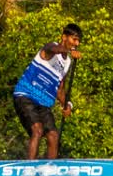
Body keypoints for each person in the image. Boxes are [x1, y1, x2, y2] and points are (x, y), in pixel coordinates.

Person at [13, 23, 82, 160]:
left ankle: (50, 170)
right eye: (74, 39)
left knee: (53, 136)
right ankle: (28, 168)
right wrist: (69, 51)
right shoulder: (51, 47)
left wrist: (67, 104)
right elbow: (54, 48)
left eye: (78, 41)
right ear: (64, 37)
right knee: (37, 129)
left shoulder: (67, 63)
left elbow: (60, 89)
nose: (77, 43)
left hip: (43, 103)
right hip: (25, 96)